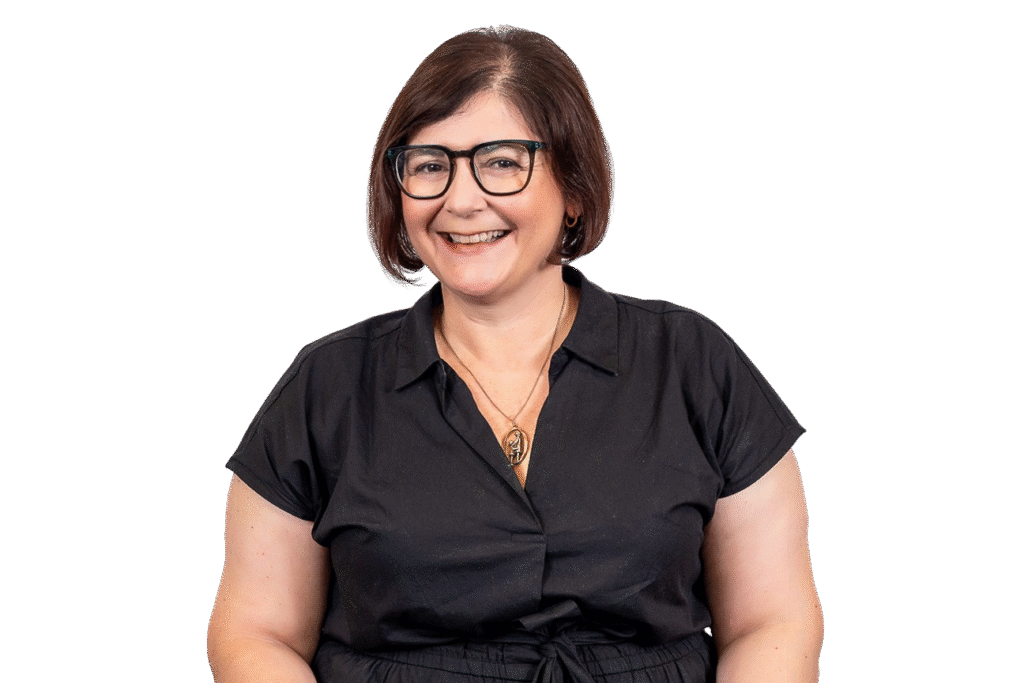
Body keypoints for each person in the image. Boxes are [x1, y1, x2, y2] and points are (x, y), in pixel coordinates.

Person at [207, 25, 824, 683]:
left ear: (575, 188)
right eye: (429, 165)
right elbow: (254, 631)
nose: (462, 198)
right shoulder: (325, 387)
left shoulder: (697, 365)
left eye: (502, 161)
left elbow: (774, 620)